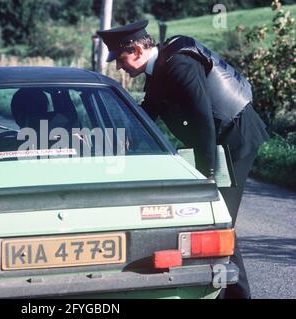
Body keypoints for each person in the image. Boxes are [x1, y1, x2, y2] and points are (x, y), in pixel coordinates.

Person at [97, 20, 269, 299]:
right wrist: (111, 145)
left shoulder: (178, 65)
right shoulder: (158, 69)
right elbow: (146, 117)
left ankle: (238, 296)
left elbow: (202, 119)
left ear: (138, 49)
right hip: (217, 141)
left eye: (120, 58)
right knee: (215, 220)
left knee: (219, 220)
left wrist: (208, 173)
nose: (118, 66)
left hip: (234, 140)